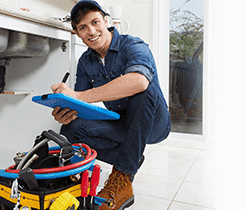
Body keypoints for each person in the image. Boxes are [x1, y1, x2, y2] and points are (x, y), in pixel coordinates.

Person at [50, 0, 171, 209]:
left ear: (107, 21)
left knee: (142, 87)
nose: (91, 31)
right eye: (83, 27)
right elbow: (81, 101)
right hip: (123, 123)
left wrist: (79, 97)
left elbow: (139, 81)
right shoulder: (86, 61)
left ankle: (122, 177)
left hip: (154, 124)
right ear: (78, 34)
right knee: (70, 129)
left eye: (95, 22)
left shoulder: (133, 45)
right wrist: (67, 109)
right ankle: (129, 158)